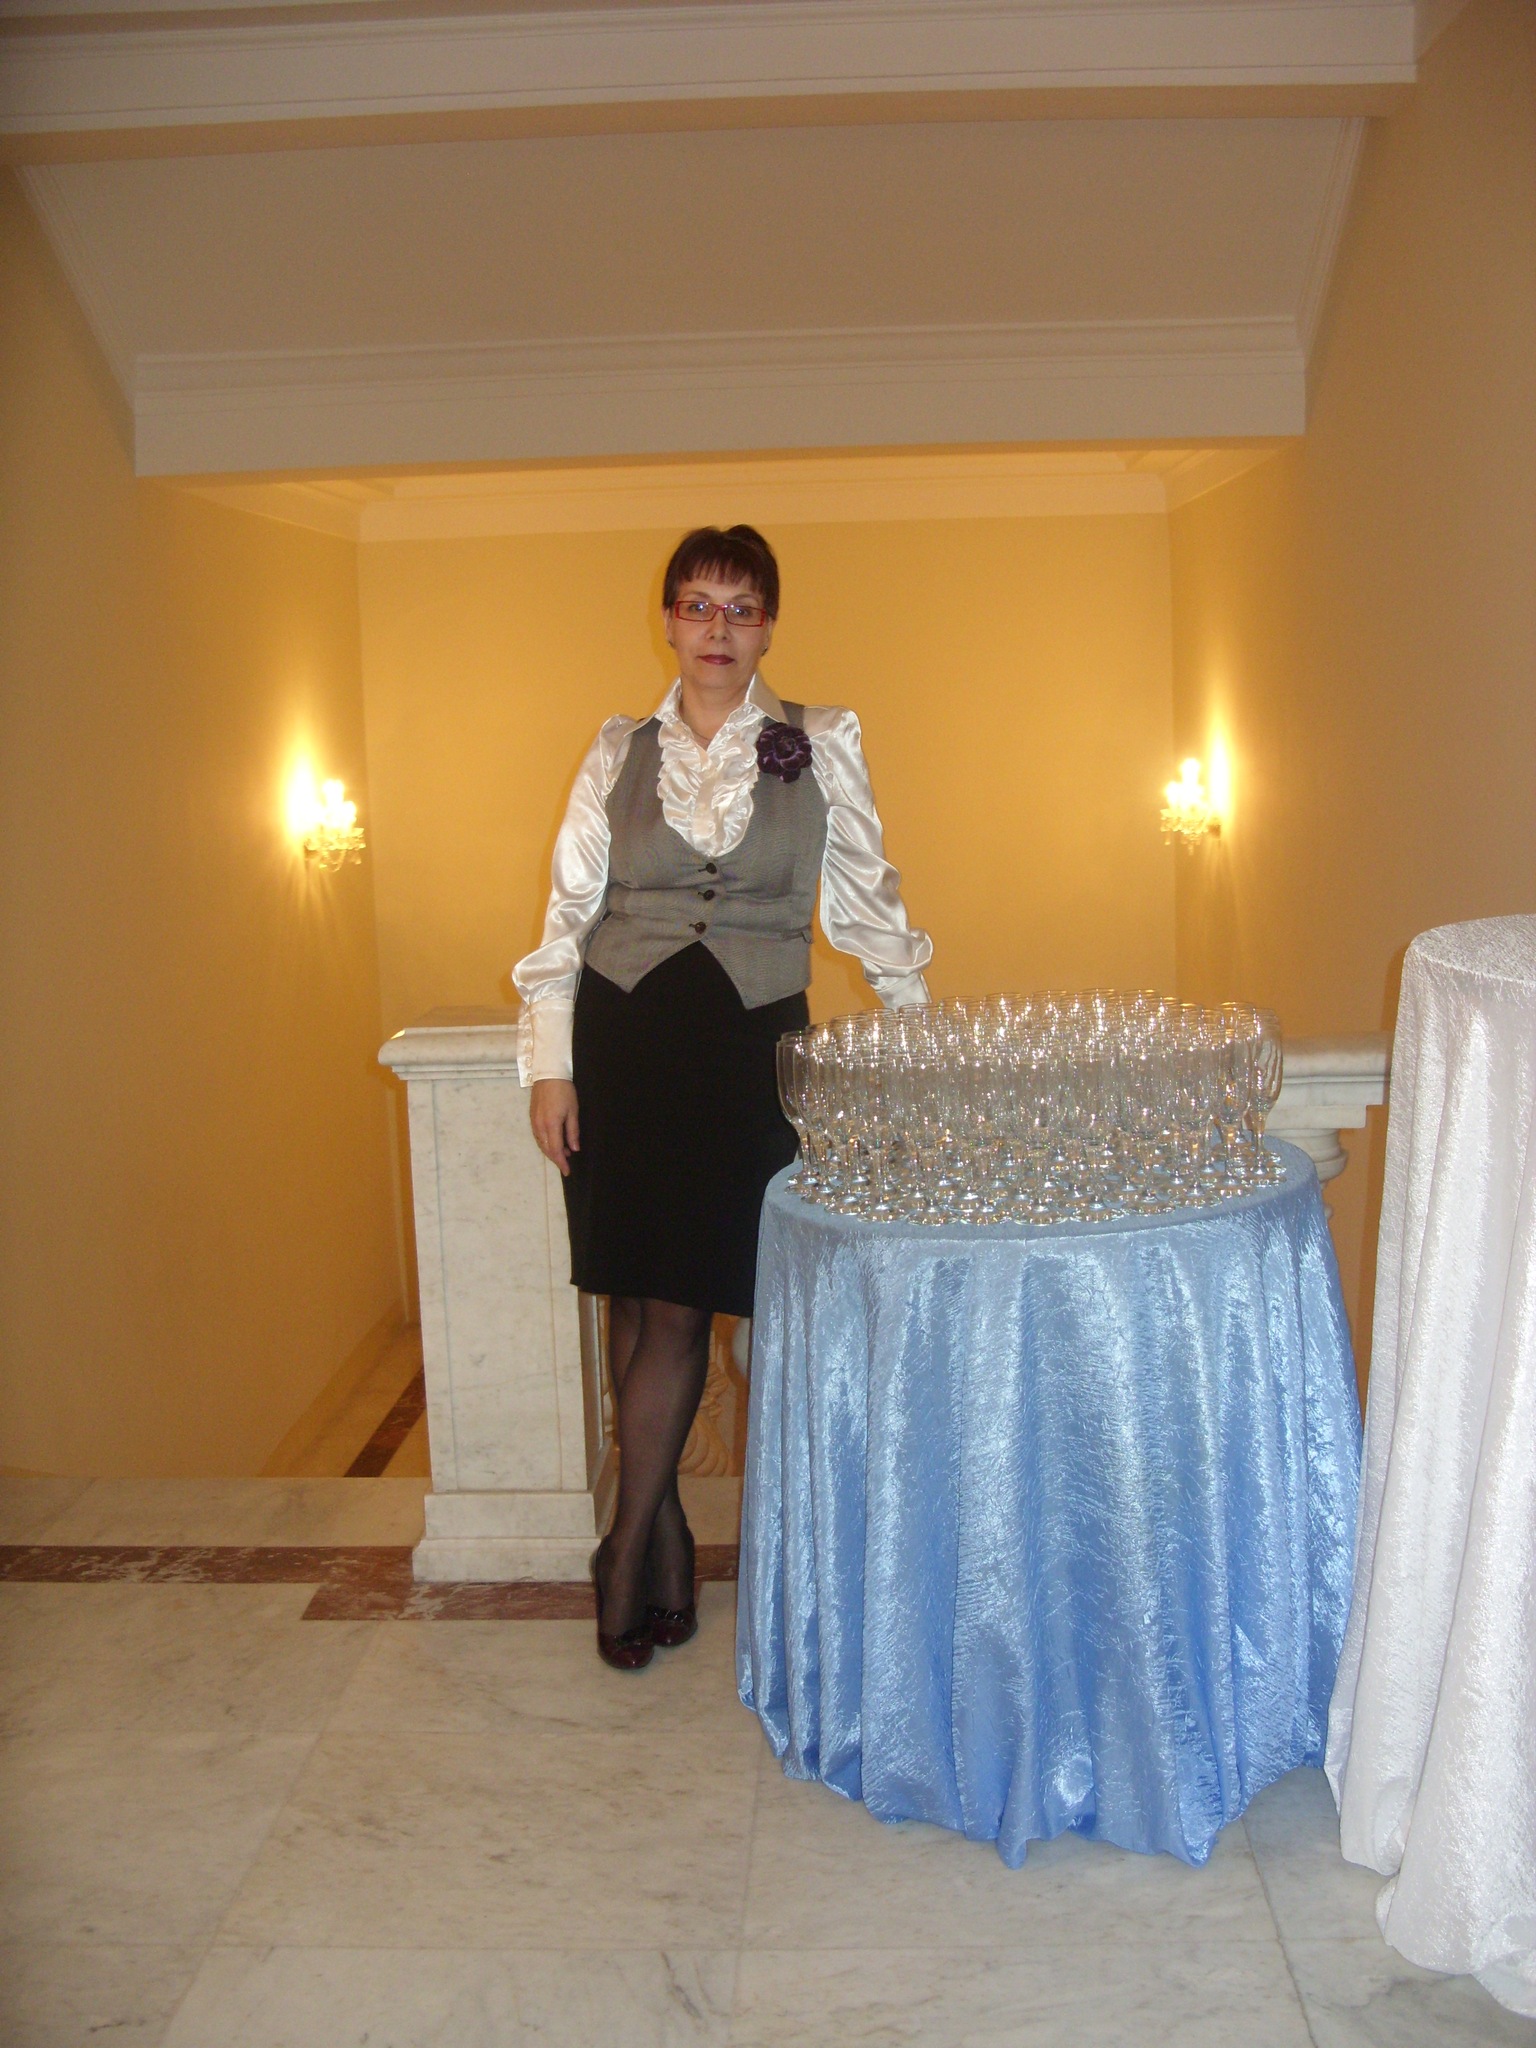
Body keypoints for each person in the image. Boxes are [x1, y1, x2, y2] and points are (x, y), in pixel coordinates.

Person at [514, 524, 931, 1668]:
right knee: (637, 1295)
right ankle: (658, 1537)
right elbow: (567, 916)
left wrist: (916, 1033)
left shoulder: (821, 741)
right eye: (698, 604)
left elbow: (869, 905)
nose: (717, 628)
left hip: (748, 1046)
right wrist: (550, 1061)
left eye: (741, 609)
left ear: (768, 628)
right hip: (625, 1037)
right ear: (668, 619)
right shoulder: (618, 748)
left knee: (684, 1304)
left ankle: (625, 1543)